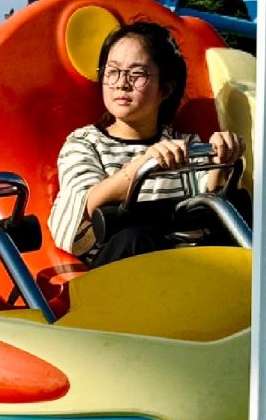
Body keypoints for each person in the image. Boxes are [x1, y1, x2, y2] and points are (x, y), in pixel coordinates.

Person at [48, 23, 243, 265]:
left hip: (188, 264)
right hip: (120, 271)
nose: (121, 83)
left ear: (166, 89)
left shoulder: (185, 145)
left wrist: (221, 163)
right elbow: (88, 203)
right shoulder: (85, 143)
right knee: (138, 240)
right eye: (112, 72)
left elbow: (207, 200)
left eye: (137, 74)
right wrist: (142, 166)